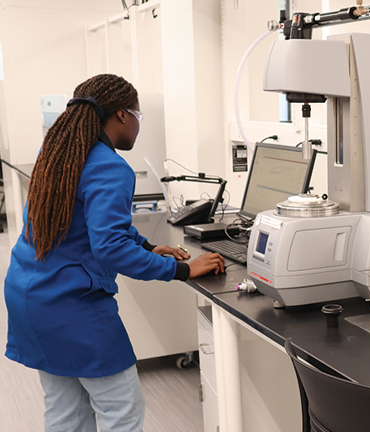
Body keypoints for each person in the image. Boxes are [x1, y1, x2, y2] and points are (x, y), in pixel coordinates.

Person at [3, 74, 225, 432]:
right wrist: (184, 270)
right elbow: (109, 247)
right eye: (139, 115)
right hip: (70, 306)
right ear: (123, 115)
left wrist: (149, 247)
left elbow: (84, 224)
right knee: (122, 409)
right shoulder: (109, 165)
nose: (139, 124)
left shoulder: (57, 153)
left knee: (66, 411)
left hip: (29, 295)